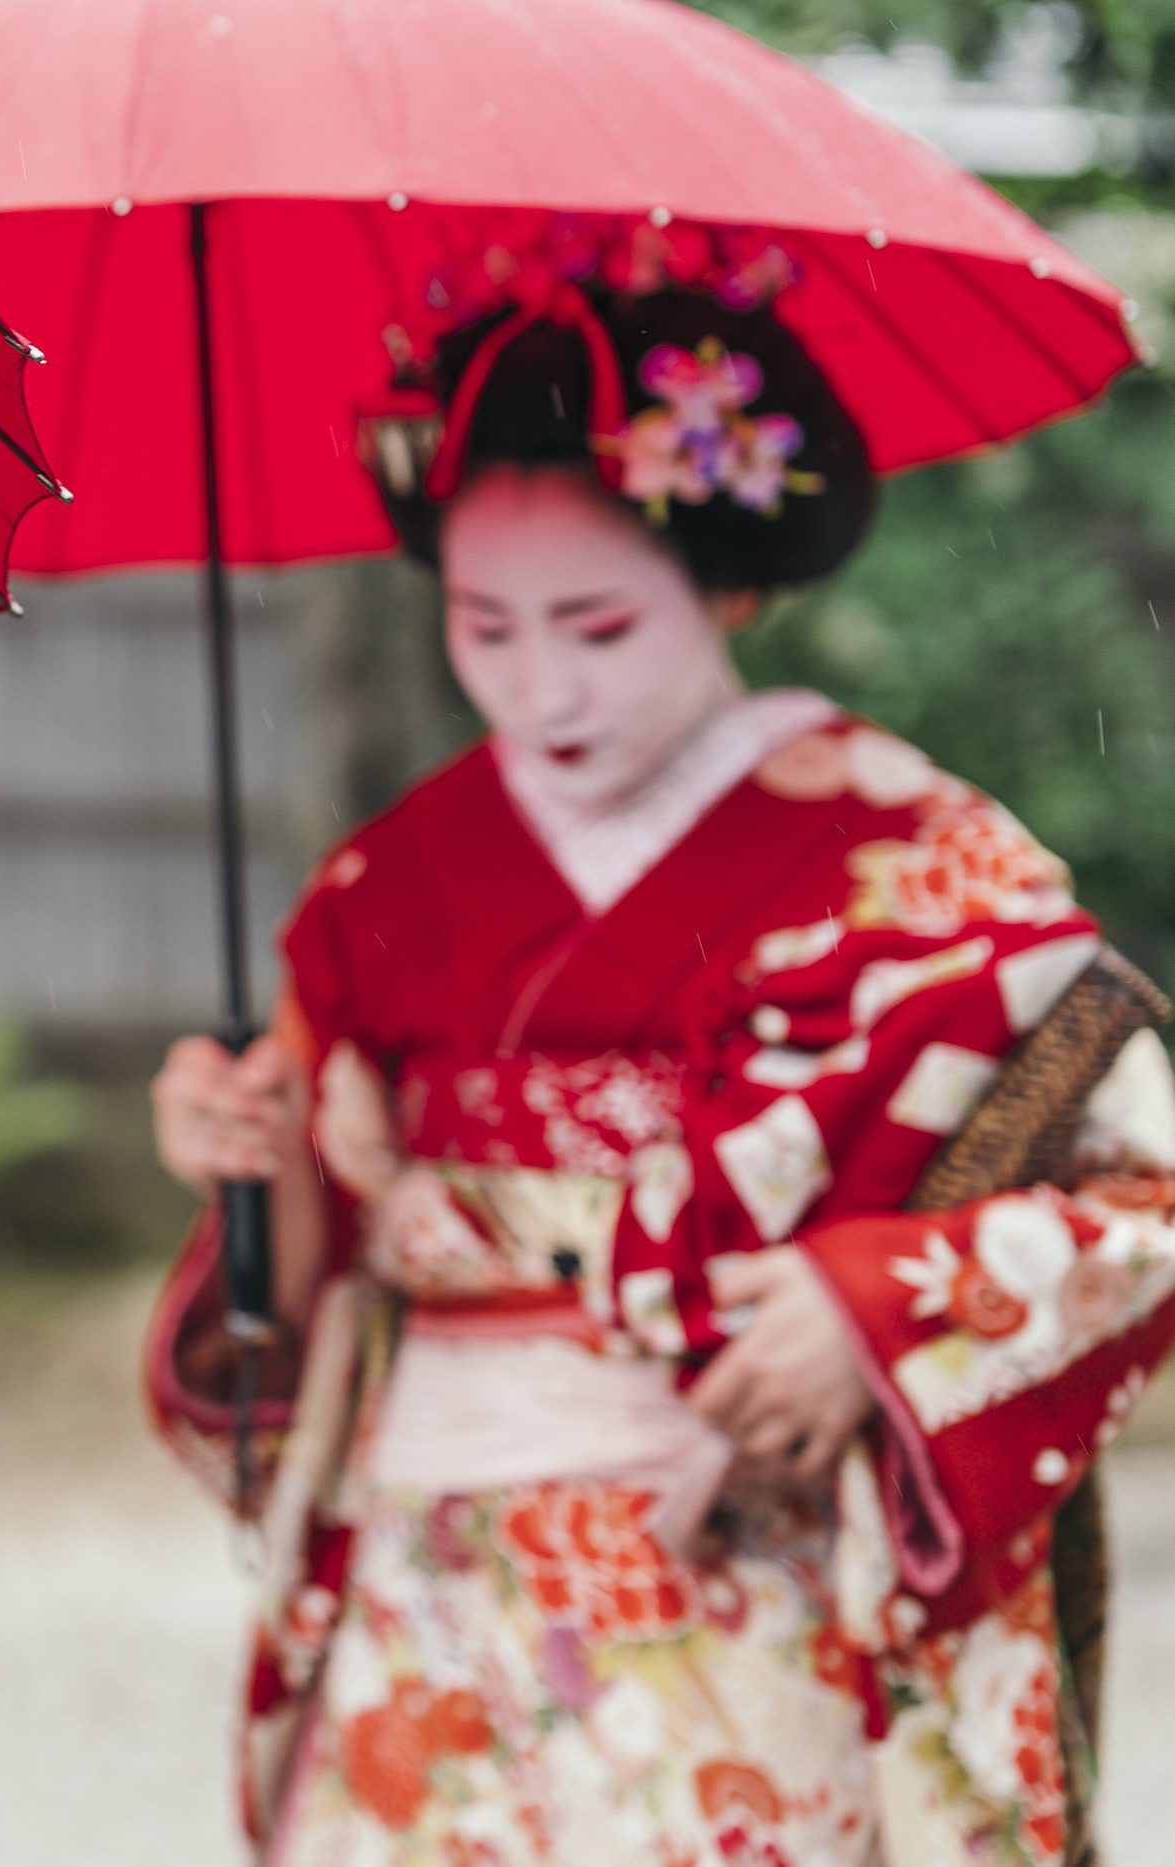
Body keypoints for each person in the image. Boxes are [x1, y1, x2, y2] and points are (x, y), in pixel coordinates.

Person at [144, 224, 1175, 1866]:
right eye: (483, 624)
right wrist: (250, 1164)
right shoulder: (384, 888)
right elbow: (308, 1284)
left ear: (732, 579)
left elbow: (1143, 1204)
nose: (536, 685)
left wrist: (868, 1313)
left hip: (754, 1566)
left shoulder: (922, 861)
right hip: (433, 1573)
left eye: (598, 626)